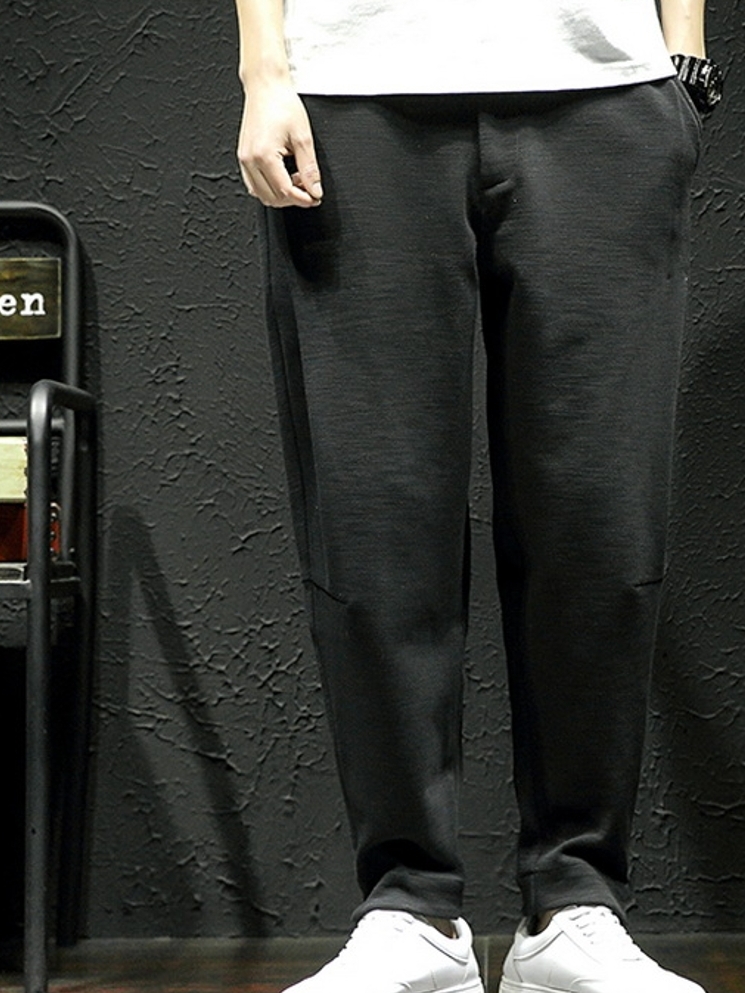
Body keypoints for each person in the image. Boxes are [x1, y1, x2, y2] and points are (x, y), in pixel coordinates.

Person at [234, 1, 722, 991]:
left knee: (598, 520)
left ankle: (574, 903)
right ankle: (408, 908)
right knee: (374, 521)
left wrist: (685, 54)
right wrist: (262, 71)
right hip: (350, 95)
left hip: (603, 91)